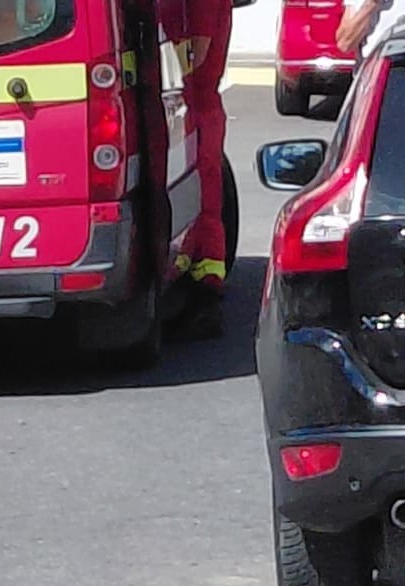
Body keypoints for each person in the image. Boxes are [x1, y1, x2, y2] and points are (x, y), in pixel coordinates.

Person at [173, 0, 234, 340]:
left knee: (204, 203)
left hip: (196, 107)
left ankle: (205, 295)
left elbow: (197, 52)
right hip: (189, 107)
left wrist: (160, 64)